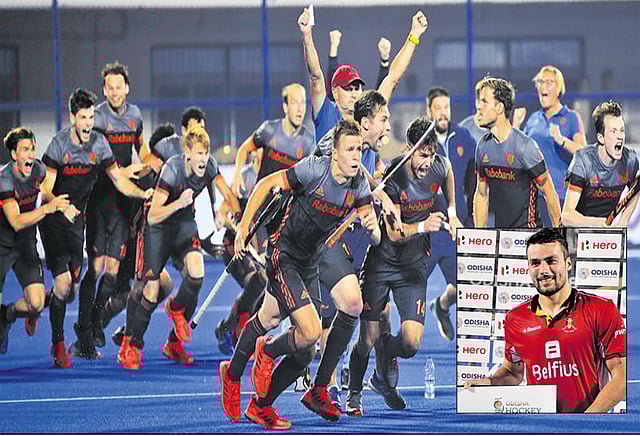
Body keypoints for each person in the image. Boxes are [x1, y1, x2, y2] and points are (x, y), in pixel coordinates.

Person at [220, 119, 380, 429]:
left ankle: (254, 398)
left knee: (287, 335)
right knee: (309, 333)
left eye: (359, 150)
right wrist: (243, 228)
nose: (356, 156)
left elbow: (374, 234)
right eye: (349, 150)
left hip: (310, 262)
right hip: (284, 254)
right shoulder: (314, 170)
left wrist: (373, 230)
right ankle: (266, 351)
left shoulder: (359, 183)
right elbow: (265, 185)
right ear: (334, 153)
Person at [346, 116, 458, 415]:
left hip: (413, 266)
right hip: (382, 262)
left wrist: (452, 212)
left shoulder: (438, 165)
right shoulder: (394, 177)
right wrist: (423, 226)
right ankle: (354, 393)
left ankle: (385, 359)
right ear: (409, 150)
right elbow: (395, 234)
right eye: (422, 155)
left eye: (431, 154)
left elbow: (447, 171)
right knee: (367, 338)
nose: (427, 163)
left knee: (410, 343)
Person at [39, 88, 152, 368]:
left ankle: (51, 306)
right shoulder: (58, 145)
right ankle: (59, 344)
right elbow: (45, 190)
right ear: (72, 118)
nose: (88, 123)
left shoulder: (99, 145)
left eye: (91, 117)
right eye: (83, 118)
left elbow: (118, 179)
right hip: (54, 219)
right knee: (65, 284)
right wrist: (59, 205)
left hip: (77, 220)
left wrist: (142, 194)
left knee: (71, 288)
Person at [118, 123, 240, 370]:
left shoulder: (210, 166)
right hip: (159, 228)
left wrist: (230, 217)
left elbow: (229, 196)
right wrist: (179, 203)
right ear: (187, 153)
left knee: (197, 274)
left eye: (205, 153)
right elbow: (153, 215)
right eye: (198, 154)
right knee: (151, 290)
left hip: (184, 224)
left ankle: (175, 324)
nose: (203, 159)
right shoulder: (172, 170)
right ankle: (133, 346)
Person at [464, 228, 626, 413]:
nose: (543, 271)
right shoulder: (515, 319)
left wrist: (586, 420)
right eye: (535, 263)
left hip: (588, 422)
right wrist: (490, 382)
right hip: (540, 424)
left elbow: (621, 377)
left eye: (551, 261)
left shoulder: (601, 309)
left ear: (568, 263)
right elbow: (512, 373)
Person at [73, 61, 149, 357]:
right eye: (110, 88)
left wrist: (150, 163)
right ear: (104, 90)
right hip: (98, 201)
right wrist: (125, 172)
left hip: (122, 203)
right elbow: (96, 159)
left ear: (126, 88)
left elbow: (141, 148)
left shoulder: (135, 115)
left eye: (119, 87)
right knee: (95, 269)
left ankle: (93, 321)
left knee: (113, 273)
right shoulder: (98, 117)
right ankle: (85, 327)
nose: (115, 92)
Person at [0, 127, 69, 354]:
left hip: (25, 244)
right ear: (13, 154)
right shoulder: (5, 181)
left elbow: (44, 193)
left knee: (37, 304)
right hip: (2, 246)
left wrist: (59, 203)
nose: (30, 155)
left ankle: (7, 314)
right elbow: (16, 222)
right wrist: (47, 209)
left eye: (32, 149)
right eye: (24, 150)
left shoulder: (39, 169)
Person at [472, 76, 561, 228]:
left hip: (528, 235)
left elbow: (549, 192)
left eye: (484, 101)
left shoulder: (525, 147)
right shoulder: (482, 146)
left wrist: (559, 234)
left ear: (499, 108)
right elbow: (481, 194)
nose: (479, 107)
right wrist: (479, 236)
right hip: (501, 235)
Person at [423, 86, 474, 342]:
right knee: (410, 286)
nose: (443, 113)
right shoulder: (420, 142)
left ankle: (441, 306)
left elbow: (475, 180)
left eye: (447, 107)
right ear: (428, 111)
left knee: (467, 286)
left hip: (456, 229)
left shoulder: (463, 137)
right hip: (428, 231)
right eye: (438, 108)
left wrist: (470, 219)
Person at [512, 65, 587, 226]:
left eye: (549, 82)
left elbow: (584, 153)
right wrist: (515, 127)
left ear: (559, 88)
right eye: (540, 82)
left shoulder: (571, 117)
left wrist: (562, 140)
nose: (543, 86)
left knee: (562, 240)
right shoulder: (534, 119)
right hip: (536, 196)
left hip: (562, 195)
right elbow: (518, 154)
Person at [562, 100, 639, 227]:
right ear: (601, 138)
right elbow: (566, 216)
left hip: (607, 233)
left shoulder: (630, 160)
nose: (620, 136)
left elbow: (636, 190)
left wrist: (623, 220)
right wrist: (596, 223)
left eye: (622, 130)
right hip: (578, 232)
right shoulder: (584, 160)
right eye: (613, 131)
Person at [326, 31, 391, 103]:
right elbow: (332, 84)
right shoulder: (333, 107)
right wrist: (333, 49)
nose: (353, 94)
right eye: (348, 89)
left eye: (356, 89)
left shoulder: (364, 108)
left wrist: (385, 59)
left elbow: (380, 94)